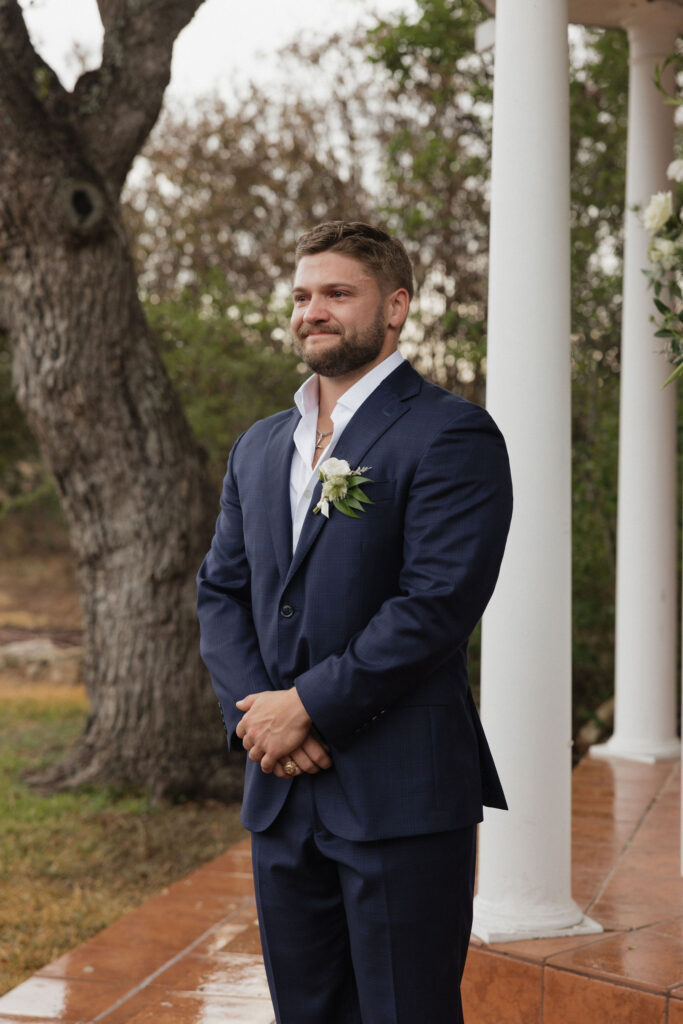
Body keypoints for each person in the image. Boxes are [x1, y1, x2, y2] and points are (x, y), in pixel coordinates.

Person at [197, 221, 512, 1024]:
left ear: (395, 306)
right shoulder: (260, 446)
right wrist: (260, 719)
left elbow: (435, 603)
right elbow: (221, 594)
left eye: (338, 293)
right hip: (279, 788)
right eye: (302, 295)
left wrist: (305, 705)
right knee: (305, 1011)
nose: (313, 311)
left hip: (399, 789)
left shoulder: (451, 434)